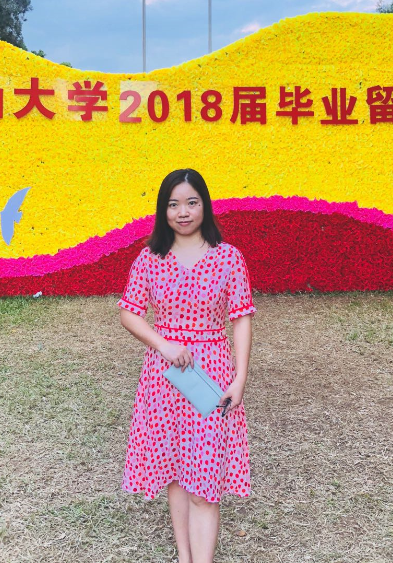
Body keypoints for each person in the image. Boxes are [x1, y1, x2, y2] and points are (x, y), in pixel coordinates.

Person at [117, 168, 256, 563]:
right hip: (164, 377)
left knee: (205, 483)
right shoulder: (150, 258)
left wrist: (240, 378)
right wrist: (163, 344)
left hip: (212, 376)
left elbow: (241, 318)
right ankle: (184, 556)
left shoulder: (228, 257)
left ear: (204, 206)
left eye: (191, 203)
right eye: (173, 204)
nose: (183, 212)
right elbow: (129, 312)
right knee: (175, 472)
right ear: (163, 211)